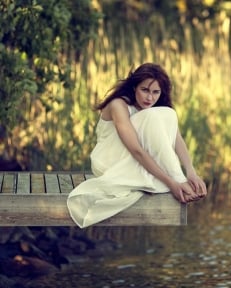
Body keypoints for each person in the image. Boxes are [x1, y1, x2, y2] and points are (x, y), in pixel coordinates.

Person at [67, 63, 207, 228]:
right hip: (109, 161)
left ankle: (179, 180)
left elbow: (177, 140)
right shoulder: (118, 105)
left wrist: (191, 172)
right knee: (152, 118)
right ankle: (177, 181)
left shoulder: (155, 109)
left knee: (169, 113)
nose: (150, 98)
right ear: (134, 87)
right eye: (145, 90)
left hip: (134, 160)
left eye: (156, 92)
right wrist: (172, 183)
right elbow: (136, 150)